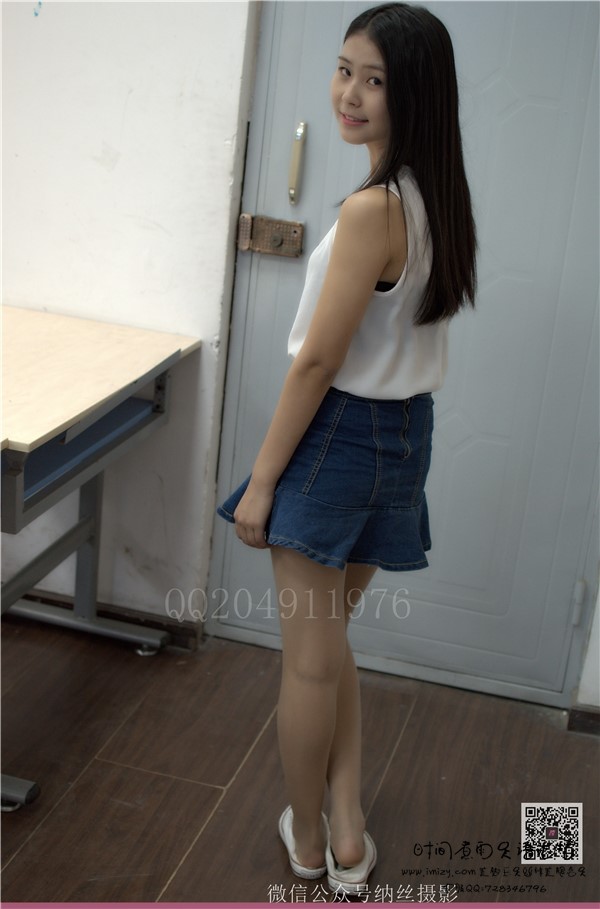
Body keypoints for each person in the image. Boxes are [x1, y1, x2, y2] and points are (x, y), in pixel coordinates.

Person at [217, 2, 476, 895]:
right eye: (344, 70)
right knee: (328, 649)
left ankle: (305, 842)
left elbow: (319, 362)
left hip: (338, 438)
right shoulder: (437, 199)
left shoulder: (373, 209)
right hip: (404, 439)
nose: (349, 94)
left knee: (309, 659)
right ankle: (349, 828)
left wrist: (262, 481)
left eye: (375, 80)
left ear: (417, 95)